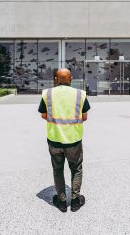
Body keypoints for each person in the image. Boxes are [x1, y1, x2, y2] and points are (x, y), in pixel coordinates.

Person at [38, 68, 90, 212]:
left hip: (54, 139)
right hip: (74, 140)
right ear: (70, 79)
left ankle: (61, 201)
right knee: (76, 169)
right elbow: (84, 117)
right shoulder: (80, 94)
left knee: (58, 170)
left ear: (55, 79)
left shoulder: (47, 94)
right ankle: (75, 200)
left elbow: (43, 115)